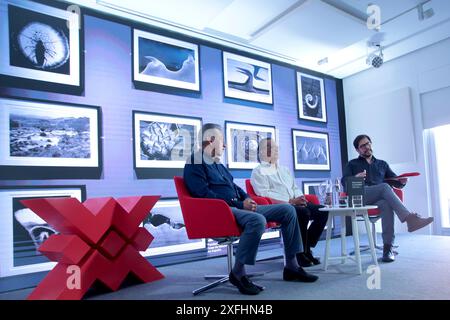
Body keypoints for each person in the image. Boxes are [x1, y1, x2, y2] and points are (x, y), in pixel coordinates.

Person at [183, 123, 318, 295]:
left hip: (237, 208)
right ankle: (238, 272)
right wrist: (240, 204)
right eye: (222, 140)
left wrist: (247, 199)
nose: (224, 145)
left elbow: (235, 188)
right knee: (257, 219)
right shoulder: (195, 162)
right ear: (211, 140)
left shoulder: (218, 165)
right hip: (219, 211)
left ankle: (292, 266)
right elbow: (202, 194)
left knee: (288, 210)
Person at [342, 134, 434, 263]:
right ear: (357, 150)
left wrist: (402, 182)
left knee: (386, 203)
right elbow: (344, 183)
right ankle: (409, 218)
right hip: (360, 196)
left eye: (368, 143)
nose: (366, 147)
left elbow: (395, 181)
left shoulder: (382, 164)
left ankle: (387, 248)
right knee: (384, 187)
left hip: (377, 197)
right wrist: (356, 177)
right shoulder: (352, 164)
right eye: (362, 146)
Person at [251, 138, 328, 267]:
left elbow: (294, 188)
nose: (275, 150)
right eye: (271, 147)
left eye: (276, 147)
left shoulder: (284, 170)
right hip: (280, 207)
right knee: (303, 212)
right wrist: (291, 201)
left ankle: (307, 247)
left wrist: (301, 198)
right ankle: (299, 254)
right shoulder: (258, 171)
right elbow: (264, 194)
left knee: (323, 211)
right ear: (261, 152)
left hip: (296, 202)